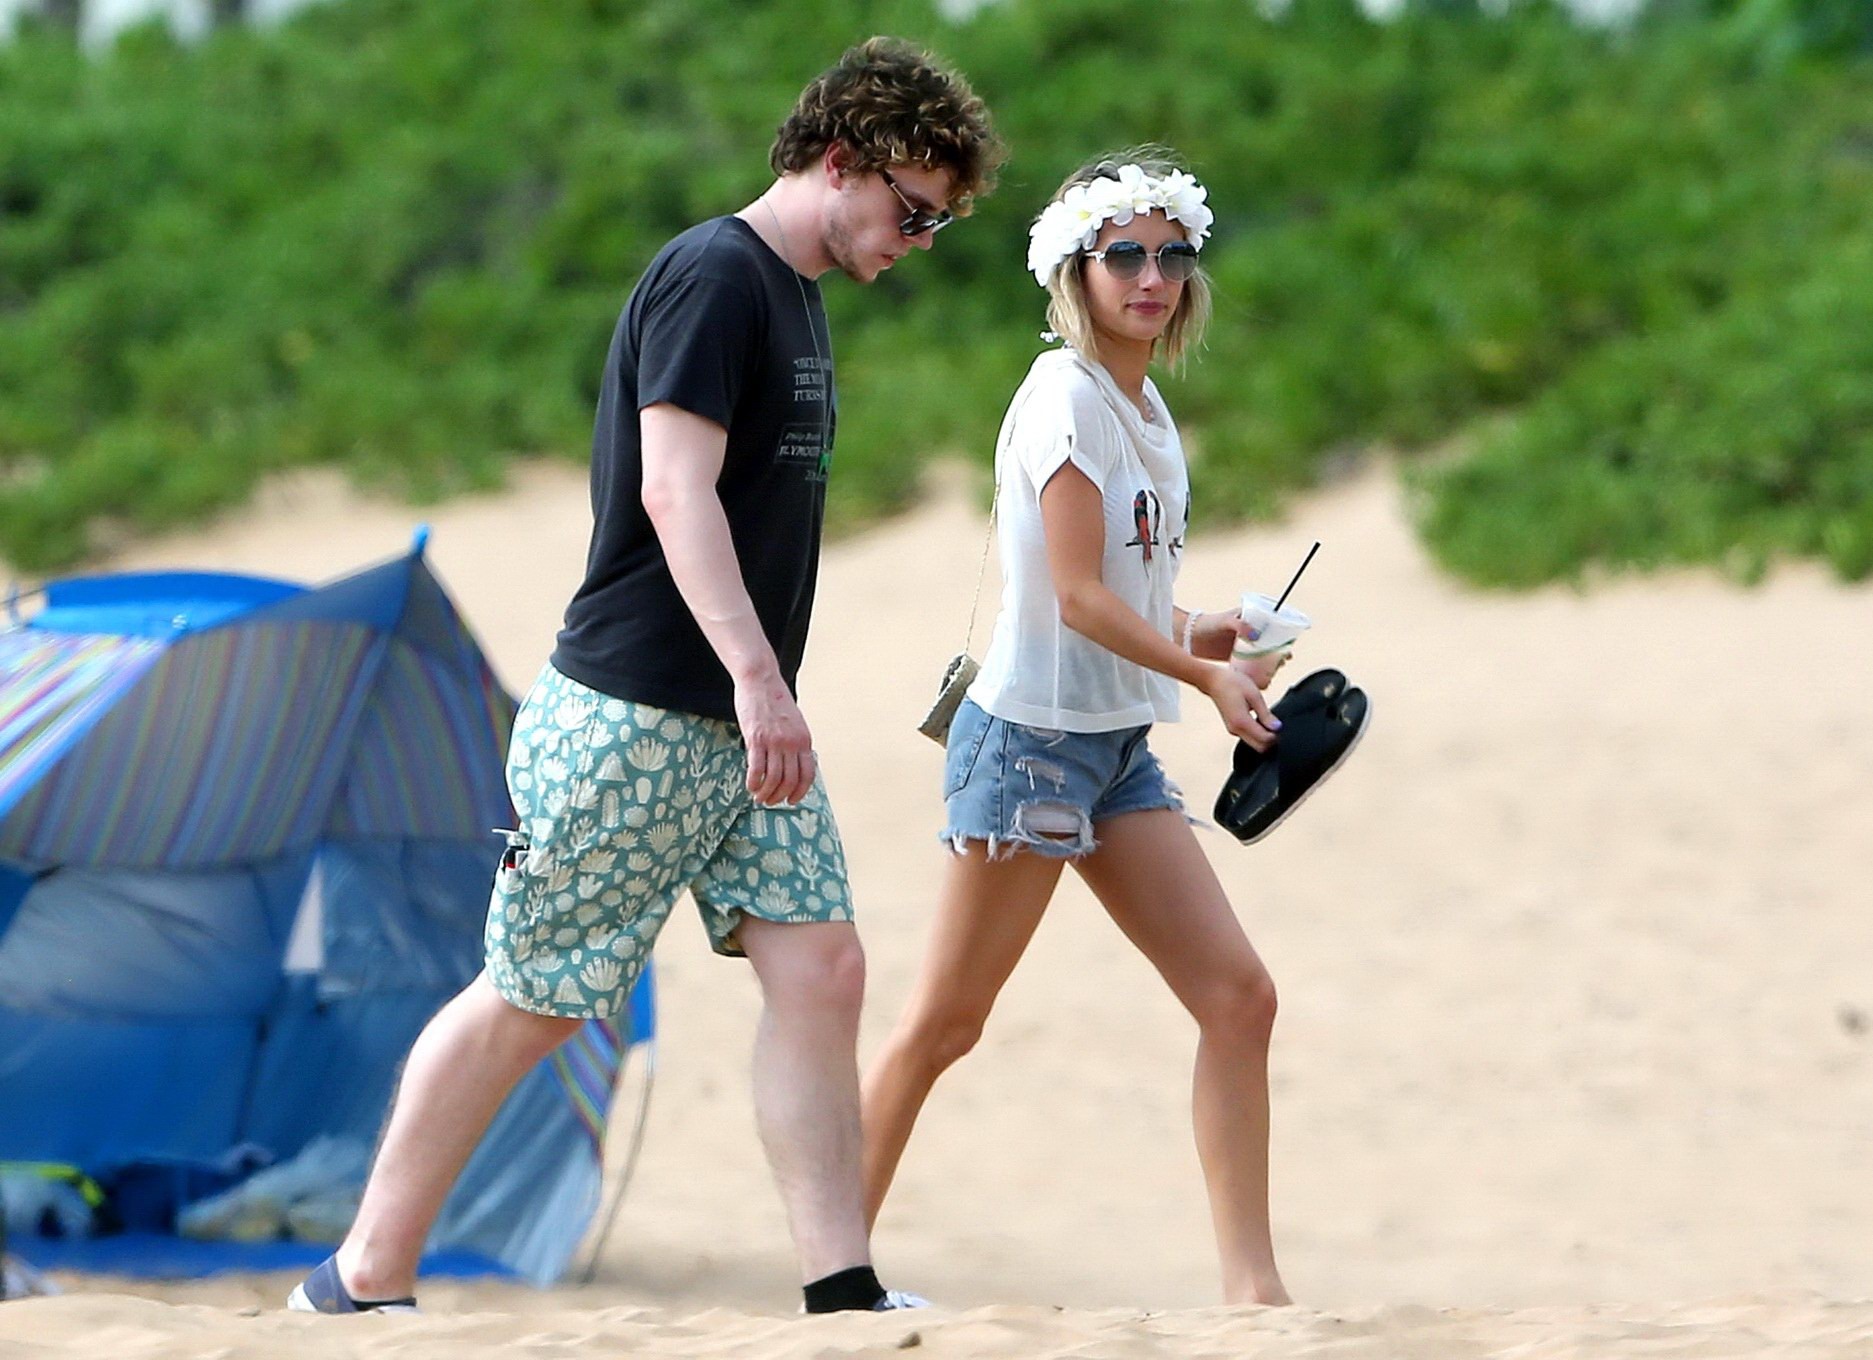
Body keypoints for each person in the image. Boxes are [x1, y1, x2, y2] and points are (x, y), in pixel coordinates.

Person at [289, 37, 1000, 1317]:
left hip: (735, 730)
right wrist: (758, 677)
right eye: (912, 211)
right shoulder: (712, 275)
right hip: (633, 712)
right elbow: (673, 494)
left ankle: (839, 1287)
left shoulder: (797, 295)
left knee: (821, 966)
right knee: (533, 999)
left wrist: (757, 697)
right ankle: (357, 1277)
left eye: (938, 224)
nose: (918, 240)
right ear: (840, 160)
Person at [859, 151, 1295, 1307]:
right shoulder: (1063, 398)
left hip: (1109, 750)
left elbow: (1133, 603)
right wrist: (1204, 685)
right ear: (1073, 271)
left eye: (1171, 254)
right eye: (1124, 256)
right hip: (1028, 746)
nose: (1151, 275)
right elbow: (1071, 600)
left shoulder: (1144, 408)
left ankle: (1254, 1293)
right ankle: (830, 1272)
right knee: (943, 1024)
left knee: (1238, 998)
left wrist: (1223, 630)